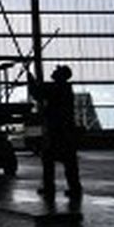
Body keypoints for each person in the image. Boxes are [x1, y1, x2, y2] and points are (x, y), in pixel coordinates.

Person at [29, 64, 82, 200]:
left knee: (49, 159)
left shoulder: (57, 88)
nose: (53, 72)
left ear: (61, 75)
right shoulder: (65, 88)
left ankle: (50, 187)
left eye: (56, 71)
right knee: (69, 161)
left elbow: (37, 93)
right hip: (65, 130)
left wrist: (30, 78)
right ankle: (74, 188)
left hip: (57, 130)